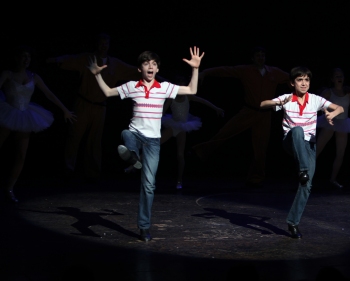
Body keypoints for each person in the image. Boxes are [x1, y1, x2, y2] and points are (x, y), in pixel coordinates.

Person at [86, 46, 204, 241]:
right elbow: (107, 92)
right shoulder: (132, 86)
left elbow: (192, 89)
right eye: (146, 63)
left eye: (154, 64)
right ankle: (132, 156)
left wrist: (195, 68)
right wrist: (97, 75)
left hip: (153, 142)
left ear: (158, 69)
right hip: (135, 134)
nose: (151, 66)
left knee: (149, 186)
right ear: (140, 68)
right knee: (126, 133)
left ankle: (144, 226)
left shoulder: (165, 88)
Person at [260, 66, 343, 238]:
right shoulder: (287, 98)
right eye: (300, 80)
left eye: (306, 80)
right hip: (291, 141)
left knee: (306, 186)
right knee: (297, 130)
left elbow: (339, 108)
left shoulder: (315, 99)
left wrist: (331, 115)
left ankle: (293, 222)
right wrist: (278, 103)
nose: (304, 83)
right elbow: (262, 104)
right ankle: (303, 170)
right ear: (292, 83)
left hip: (308, 147)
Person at [46, 33, 141, 183]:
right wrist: (54, 60)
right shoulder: (87, 58)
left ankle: (93, 172)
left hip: (100, 107)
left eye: (106, 43)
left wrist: (155, 75)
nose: (104, 46)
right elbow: (70, 59)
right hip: (83, 104)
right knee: (74, 136)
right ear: (97, 44)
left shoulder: (114, 64)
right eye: (101, 43)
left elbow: (134, 71)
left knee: (95, 140)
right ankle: (68, 169)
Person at [192, 46, 289, 188]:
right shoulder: (246, 70)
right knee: (226, 131)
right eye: (257, 55)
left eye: (262, 55)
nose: (260, 58)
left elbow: (293, 77)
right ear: (253, 58)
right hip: (248, 111)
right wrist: (205, 72)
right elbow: (226, 70)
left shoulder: (274, 72)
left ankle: (255, 179)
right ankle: (200, 152)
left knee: (261, 147)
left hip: (264, 115)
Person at [0, 45, 77, 203]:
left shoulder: (33, 76)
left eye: (28, 57)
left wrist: (64, 110)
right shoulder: (7, 74)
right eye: (23, 56)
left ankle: (9, 189)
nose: (26, 60)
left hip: (24, 115)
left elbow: (49, 94)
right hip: (7, 112)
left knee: (21, 155)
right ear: (16, 58)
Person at [125, 75, 225, 191]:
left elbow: (203, 101)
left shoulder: (189, 97)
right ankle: (133, 166)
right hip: (173, 125)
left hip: (182, 127)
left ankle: (179, 180)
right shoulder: (172, 97)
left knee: (180, 155)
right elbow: (162, 111)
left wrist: (216, 108)